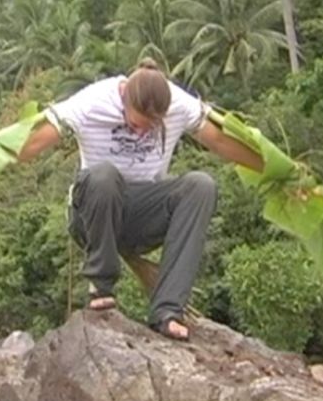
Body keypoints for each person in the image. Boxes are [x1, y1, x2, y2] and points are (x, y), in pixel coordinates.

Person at [19, 59, 264, 341]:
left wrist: (275, 172)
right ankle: (100, 286)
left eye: (152, 128)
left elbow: (221, 141)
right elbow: (32, 143)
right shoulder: (92, 102)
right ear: (123, 99)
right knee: (105, 176)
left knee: (201, 186)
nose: (141, 133)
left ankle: (168, 311)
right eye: (136, 124)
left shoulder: (179, 104)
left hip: (141, 218)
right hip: (91, 214)